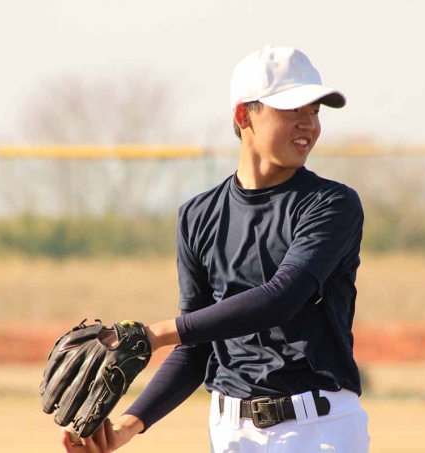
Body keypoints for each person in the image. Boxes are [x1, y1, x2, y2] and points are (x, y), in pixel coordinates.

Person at [62, 45, 370, 453]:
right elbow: (197, 346)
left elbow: (281, 298)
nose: (308, 124)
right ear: (244, 115)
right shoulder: (198, 215)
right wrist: (125, 428)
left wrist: (154, 335)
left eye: (314, 111)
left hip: (319, 430)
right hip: (230, 434)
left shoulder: (331, 204)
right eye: (292, 109)